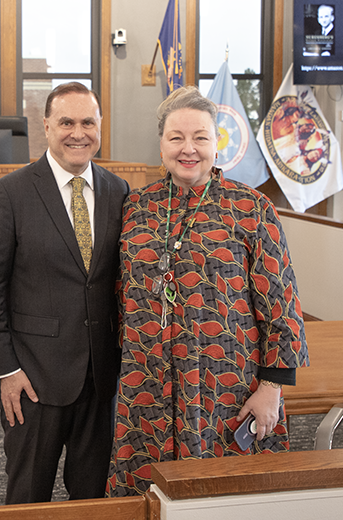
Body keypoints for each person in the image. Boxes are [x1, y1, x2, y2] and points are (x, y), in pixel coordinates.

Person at [106, 86, 309, 497]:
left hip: (226, 385)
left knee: (224, 495)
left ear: (217, 143)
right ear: (161, 142)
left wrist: (272, 388)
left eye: (200, 137)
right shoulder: (136, 207)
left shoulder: (250, 208)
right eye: (176, 137)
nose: (188, 149)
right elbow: (118, 293)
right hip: (148, 384)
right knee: (150, 497)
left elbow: (281, 301)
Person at [0, 82, 130, 504]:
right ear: (46, 127)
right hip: (33, 380)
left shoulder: (120, 193)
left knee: (94, 496)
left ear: (100, 127)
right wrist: (5, 370)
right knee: (28, 497)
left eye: (87, 122)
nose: (78, 132)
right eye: (66, 122)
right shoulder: (9, 194)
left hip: (100, 379)